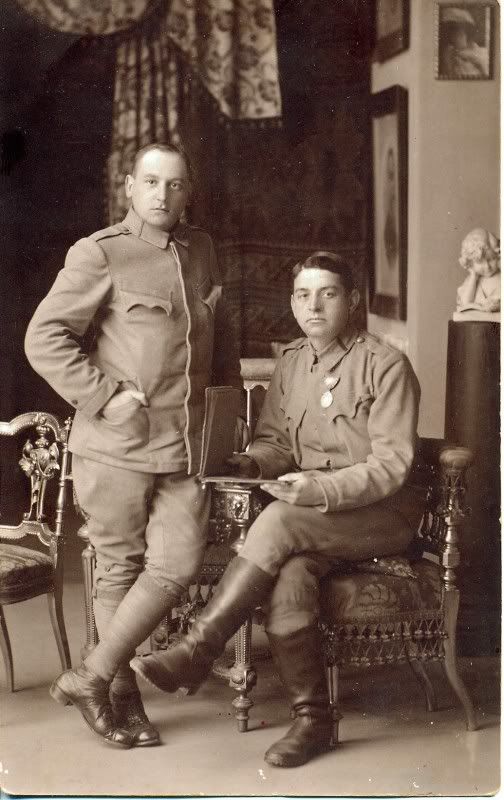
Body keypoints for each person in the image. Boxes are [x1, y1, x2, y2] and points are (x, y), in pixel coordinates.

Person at [131, 251, 421, 767]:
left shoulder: (385, 365)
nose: (315, 306)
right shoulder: (291, 362)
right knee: (290, 577)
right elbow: (277, 443)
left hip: (380, 516)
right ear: (292, 303)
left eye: (328, 294)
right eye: (303, 295)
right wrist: (251, 463)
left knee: (281, 521)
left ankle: (198, 650)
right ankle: (313, 720)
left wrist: (317, 490)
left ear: (353, 301)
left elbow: (391, 467)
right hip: (316, 522)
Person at [24, 142, 245, 748]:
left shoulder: (201, 249)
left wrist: (228, 415)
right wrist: (103, 395)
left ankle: (90, 677)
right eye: (150, 182)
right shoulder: (100, 253)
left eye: (175, 184)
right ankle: (122, 695)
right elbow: (43, 337)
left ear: (188, 192)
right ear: (129, 186)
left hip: (185, 447)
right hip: (116, 446)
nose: (162, 195)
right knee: (119, 568)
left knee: (177, 563)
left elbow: (220, 341)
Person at [440, 8, 489, 79]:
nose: (452, 36)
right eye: (450, 30)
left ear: (467, 32)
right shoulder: (448, 54)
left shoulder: (482, 53)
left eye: (457, 30)